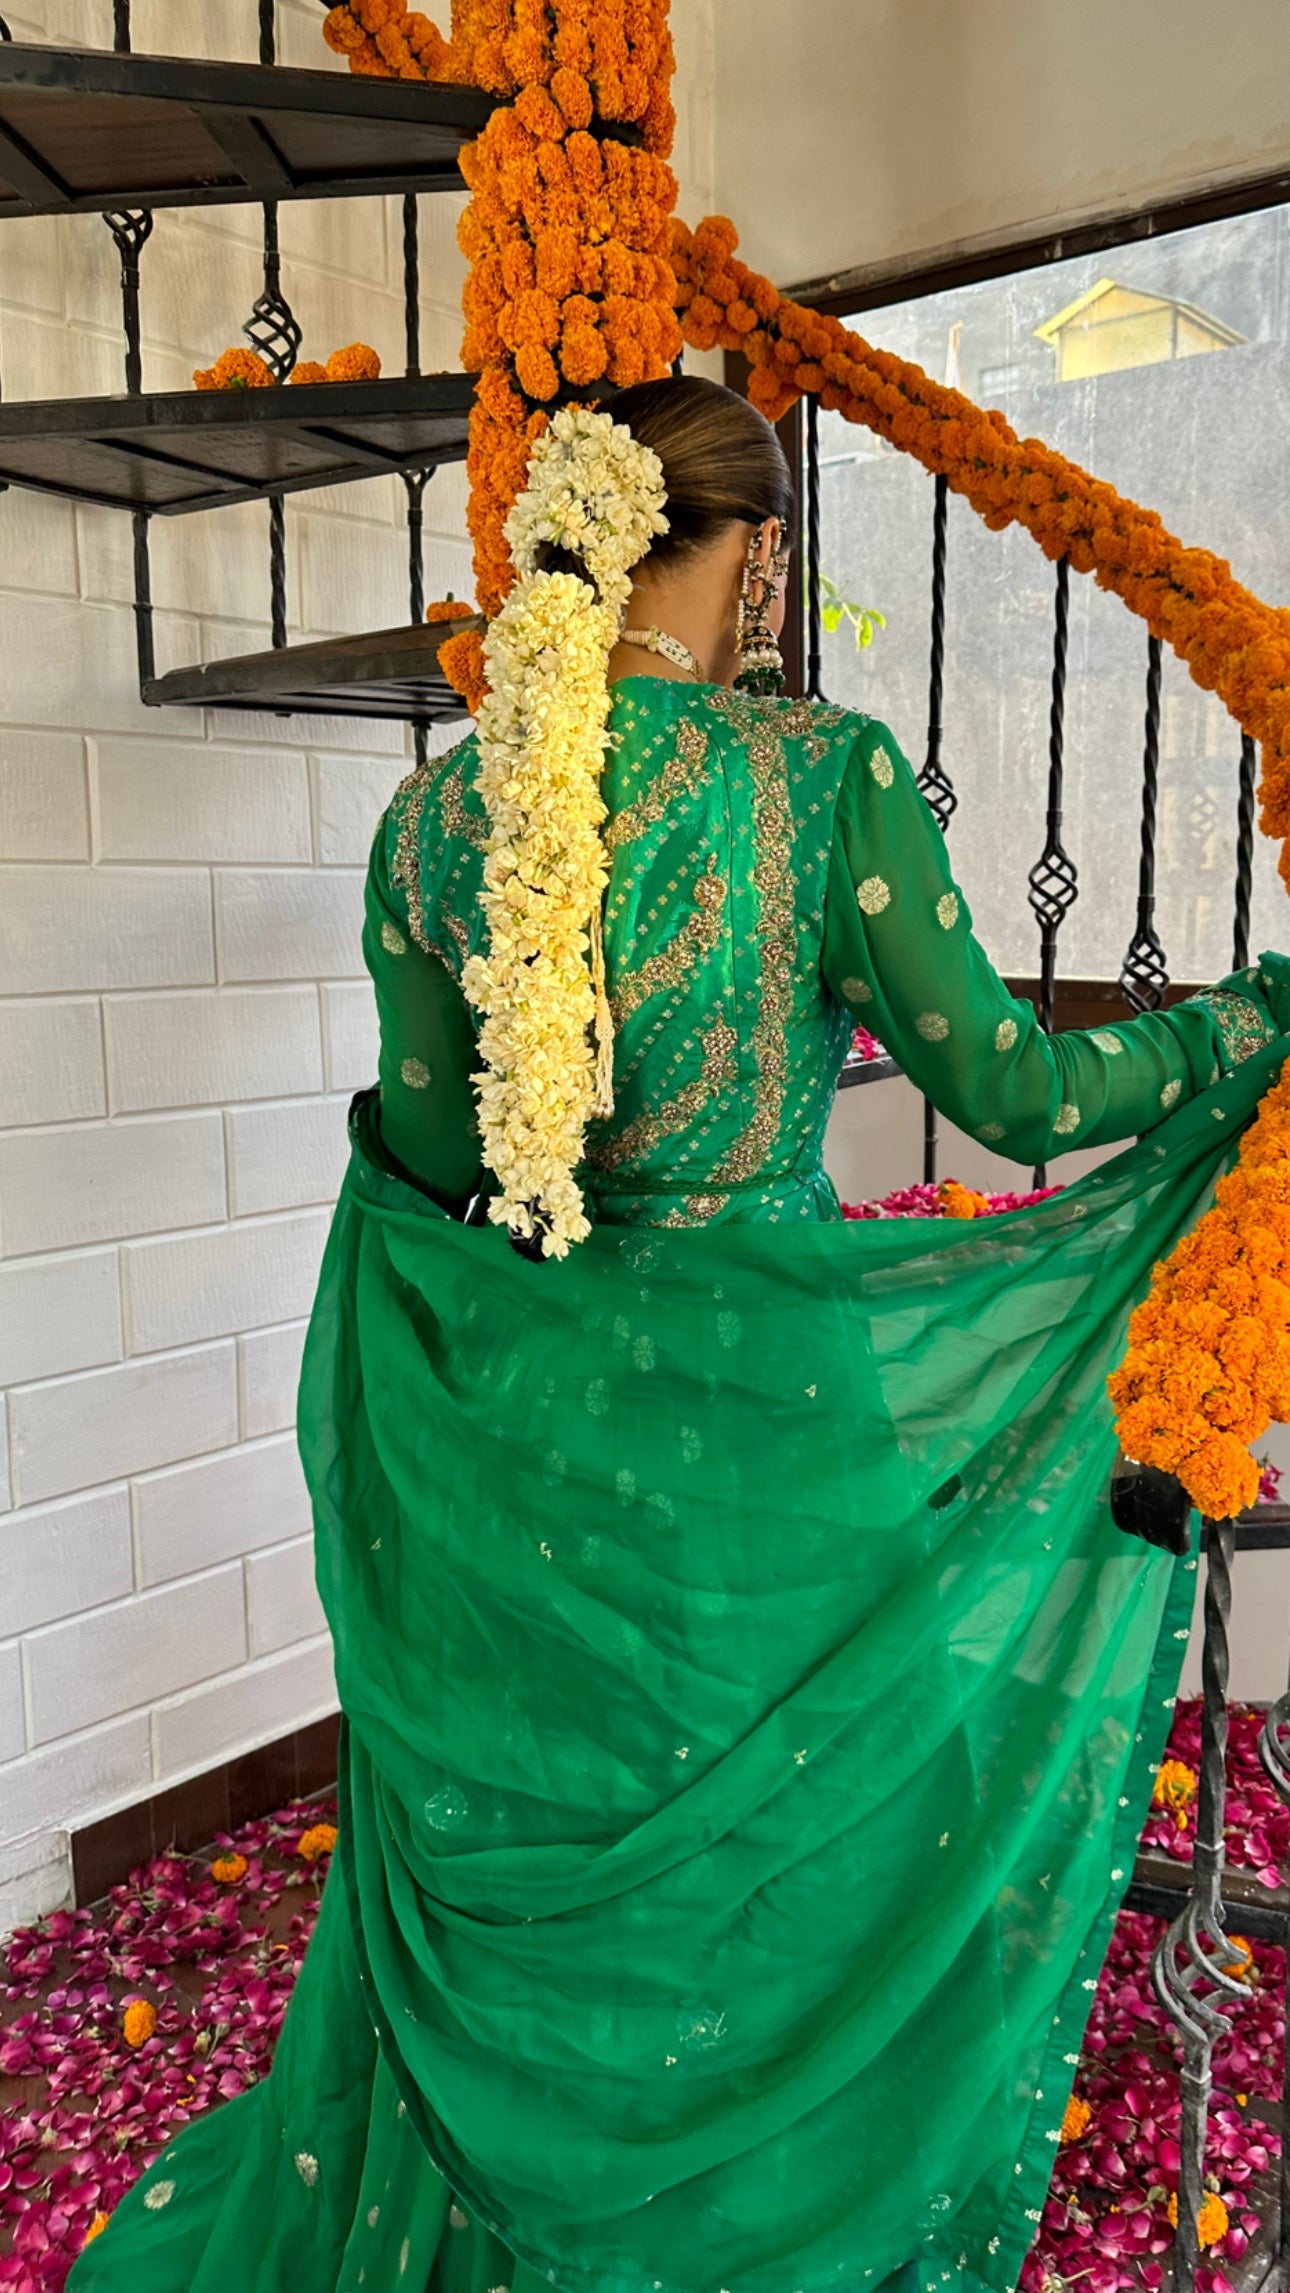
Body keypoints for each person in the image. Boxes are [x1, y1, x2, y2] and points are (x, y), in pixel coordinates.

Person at [72, 377, 1290, 2293]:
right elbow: (1025, 1095)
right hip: (768, 1428)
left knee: (547, 1828)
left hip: (518, 1448)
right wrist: (1243, 1026)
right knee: (777, 1862)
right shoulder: (822, 780)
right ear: (750, 553)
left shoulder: (429, 820)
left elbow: (419, 1159)